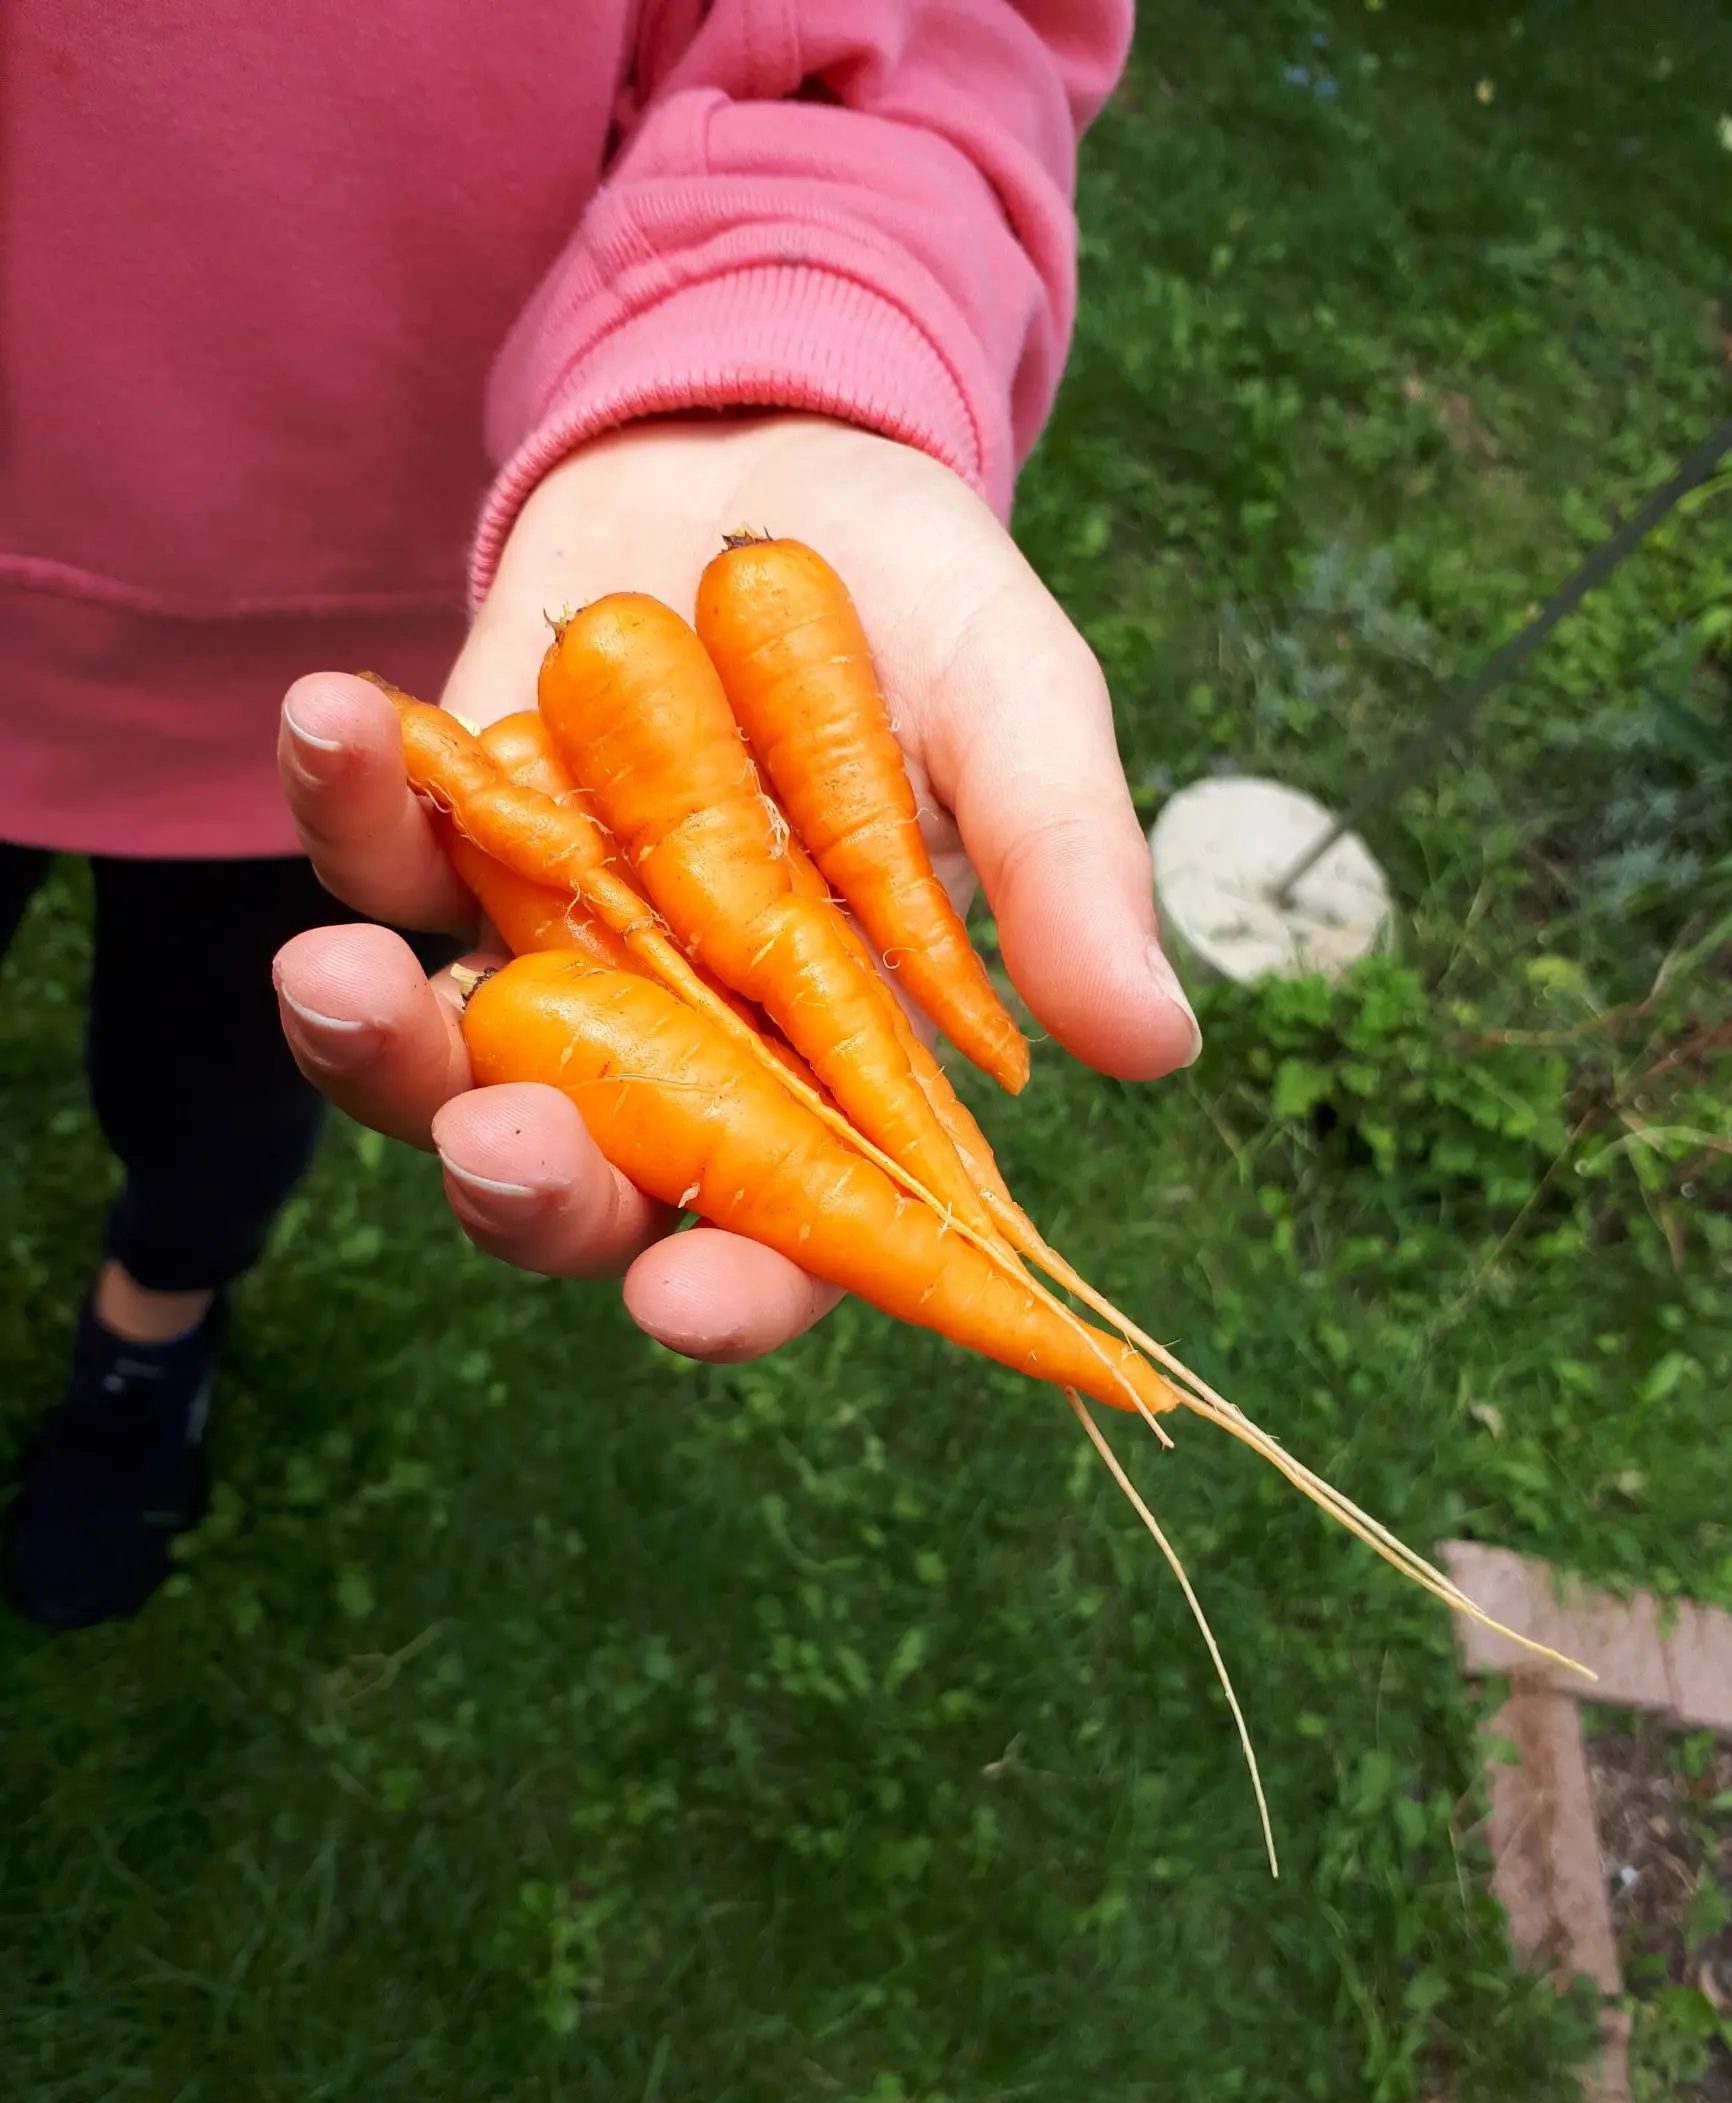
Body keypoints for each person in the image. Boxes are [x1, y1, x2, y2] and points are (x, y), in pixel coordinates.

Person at [1, 0, 1199, 1632]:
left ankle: (153, 1322)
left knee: (213, 1066)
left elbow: (901, 42)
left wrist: (782, 311)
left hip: (323, 643)